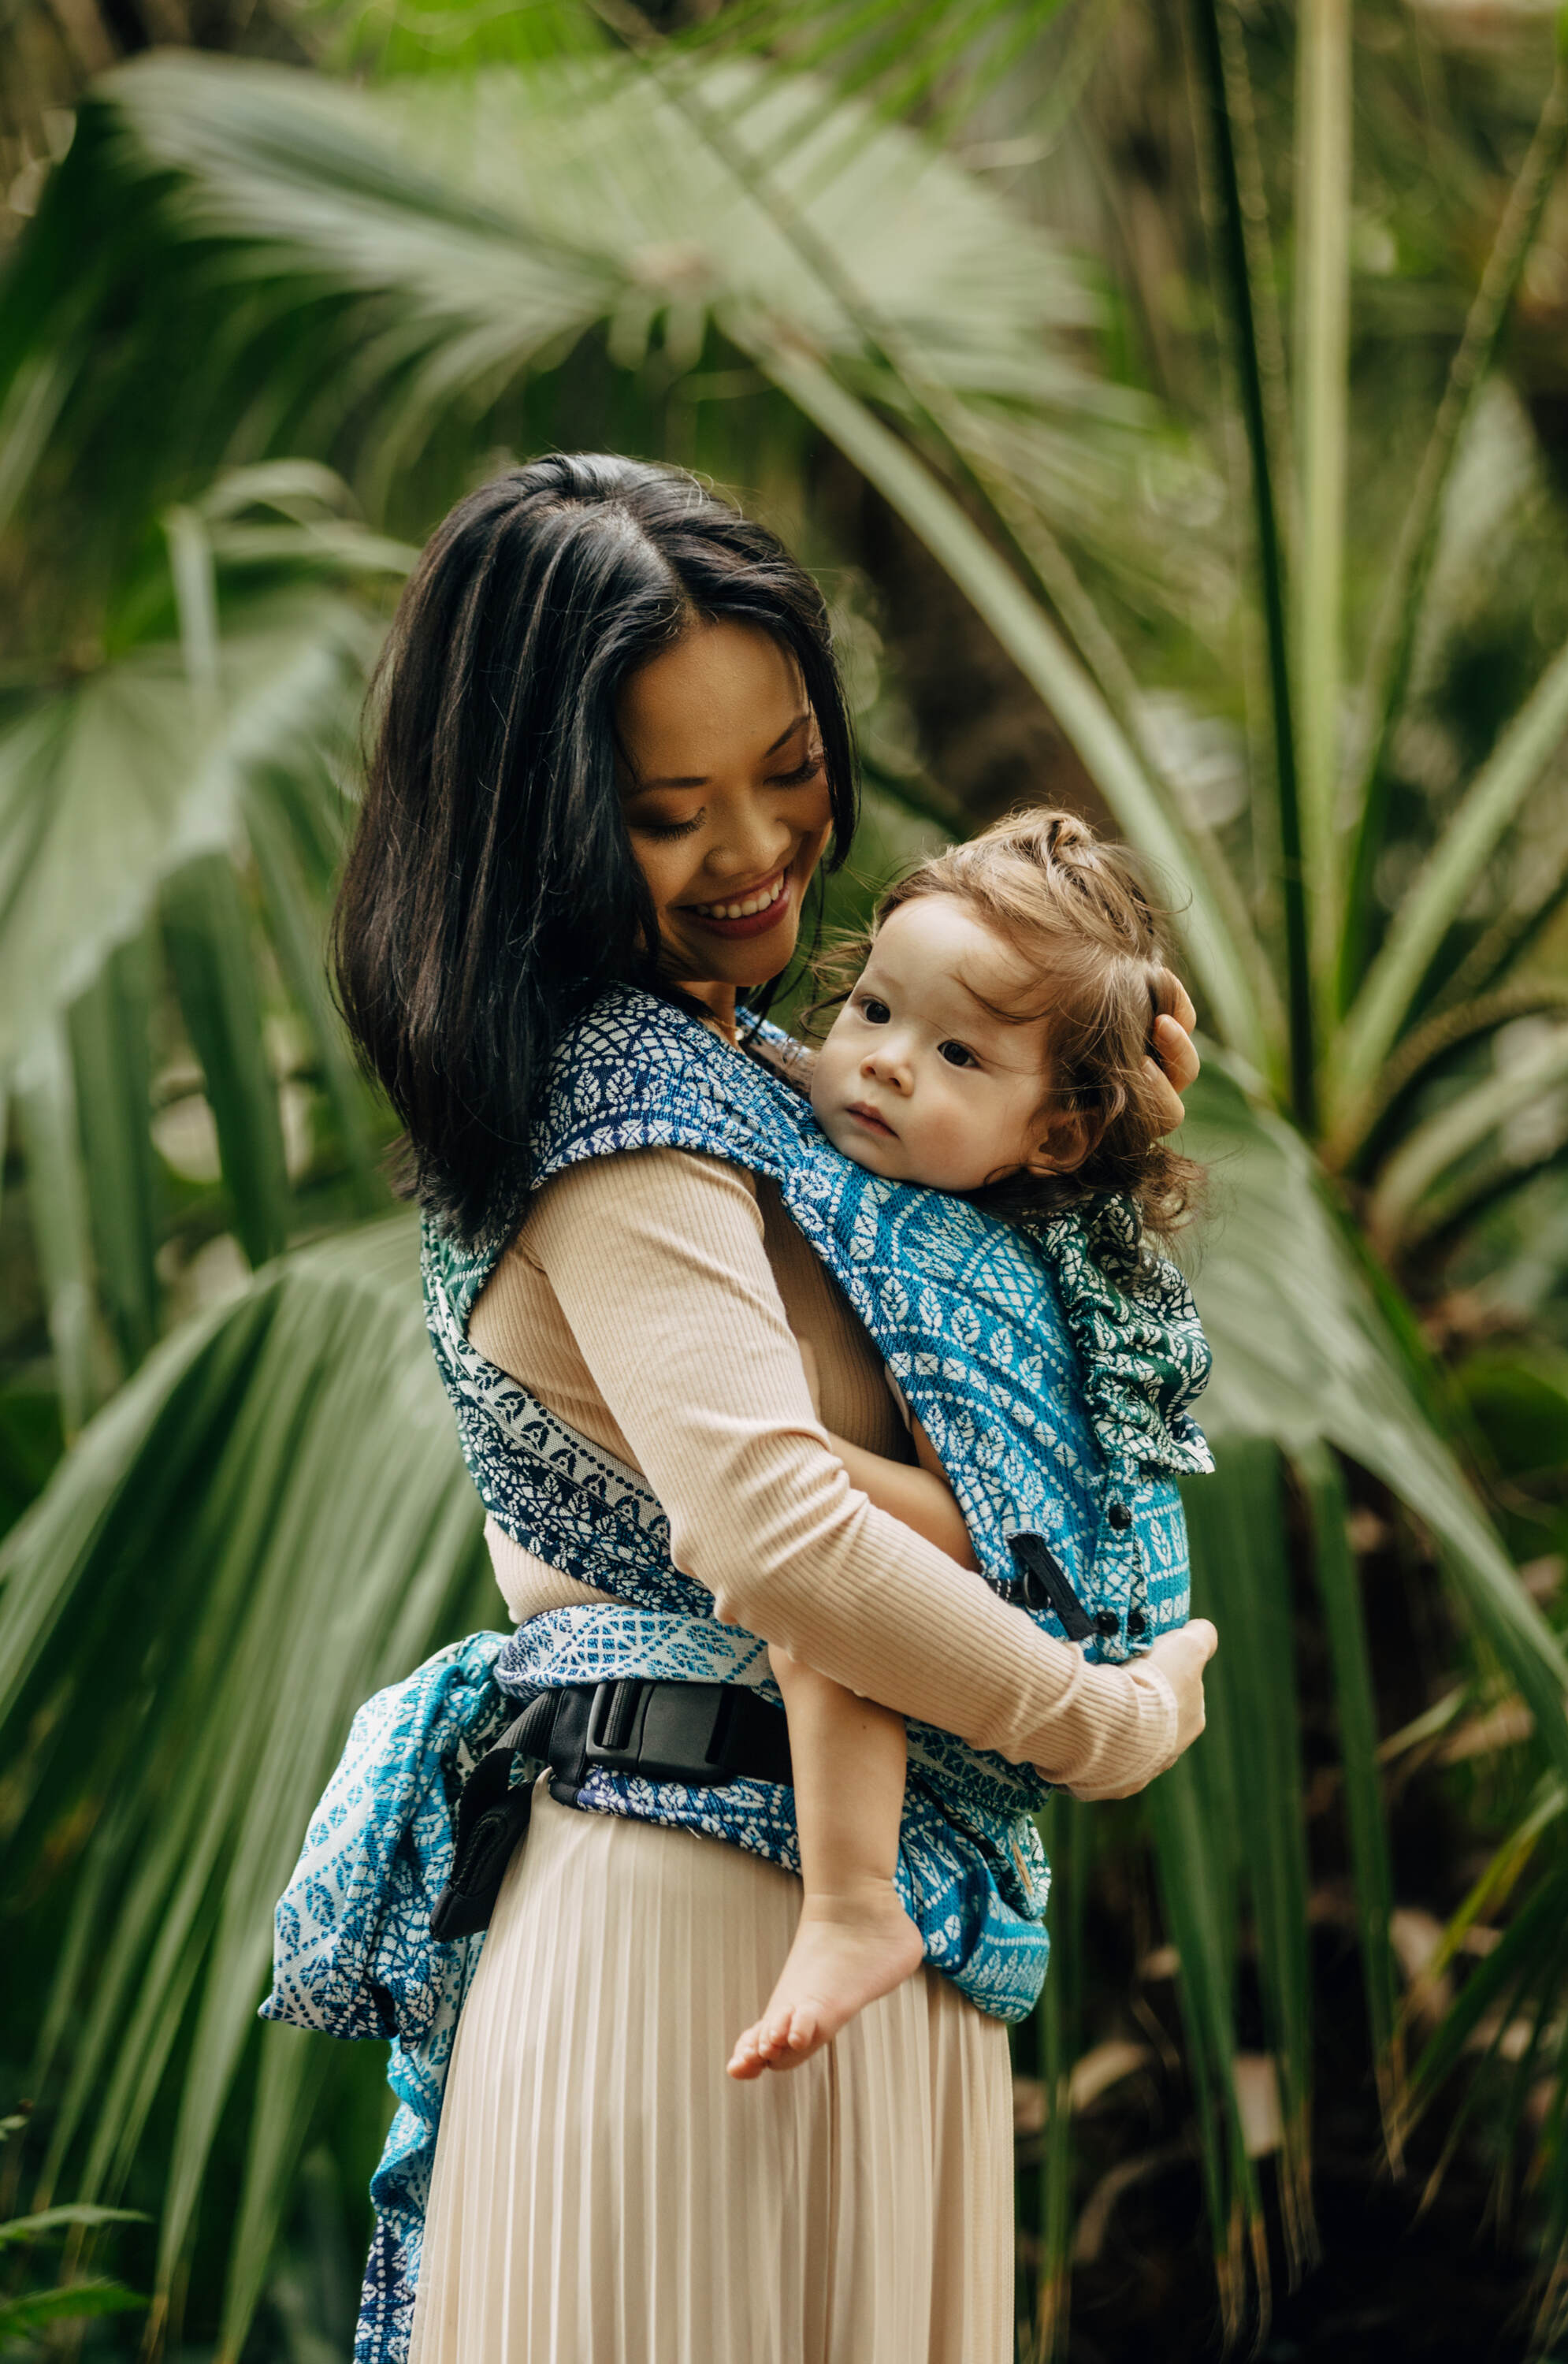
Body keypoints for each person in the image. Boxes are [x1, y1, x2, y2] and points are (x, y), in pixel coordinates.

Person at [333, 451, 1217, 2364]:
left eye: (790, 768)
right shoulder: (613, 1109)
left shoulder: (767, 1074)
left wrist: (1090, 1110)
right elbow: (779, 1536)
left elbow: (1005, 1383)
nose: (757, 851)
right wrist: (1101, 1726)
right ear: (540, 823)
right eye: (671, 810)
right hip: (698, 1929)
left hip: (834, 1921)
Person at [727, 805, 1209, 2083]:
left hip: (1039, 1615)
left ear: (1052, 1137)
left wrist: (799, 1471)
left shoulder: (1007, 1287)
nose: (885, 1062)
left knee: (818, 1596)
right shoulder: (812, 1144)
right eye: (874, 1012)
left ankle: (851, 1903)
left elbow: (988, 1534)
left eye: (958, 1054)